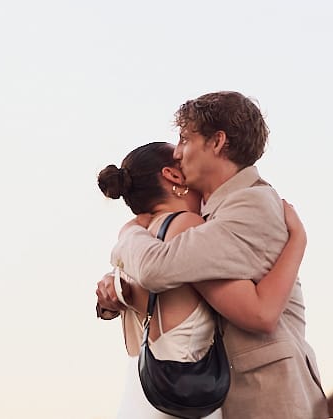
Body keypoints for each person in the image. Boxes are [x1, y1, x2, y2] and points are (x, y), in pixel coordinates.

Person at [98, 92, 327, 418]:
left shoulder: (248, 205)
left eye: (184, 139)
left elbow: (155, 267)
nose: (179, 152)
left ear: (217, 142)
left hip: (270, 393)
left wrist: (129, 231)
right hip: (235, 390)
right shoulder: (210, 212)